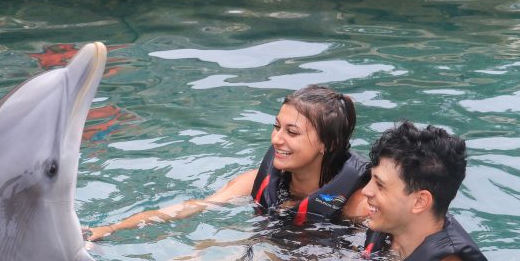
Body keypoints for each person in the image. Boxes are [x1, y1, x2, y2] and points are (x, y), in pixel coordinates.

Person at [157, 121, 493, 261]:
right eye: (370, 179)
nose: (367, 192)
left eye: (380, 185)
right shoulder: (393, 235)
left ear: (420, 201)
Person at [85, 85, 369, 241]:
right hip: (264, 250)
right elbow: (191, 208)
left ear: (328, 145)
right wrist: (112, 228)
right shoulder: (254, 182)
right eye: (277, 126)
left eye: (292, 133)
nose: (277, 139)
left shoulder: (357, 205)